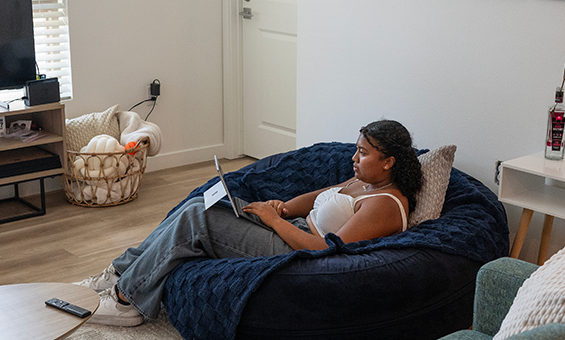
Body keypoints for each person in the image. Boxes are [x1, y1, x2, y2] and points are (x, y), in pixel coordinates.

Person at [77, 119, 423, 326]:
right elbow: (320, 195)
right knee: (201, 203)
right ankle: (122, 270)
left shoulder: (386, 205)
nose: (354, 157)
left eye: (363, 152)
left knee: (199, 220)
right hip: (291, 228)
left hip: (295, 253)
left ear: (389, 162)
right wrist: (283, 208)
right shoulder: (367, 181)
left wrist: (274, 221)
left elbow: (325, 252)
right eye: (357, 149)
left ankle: (126, 301)